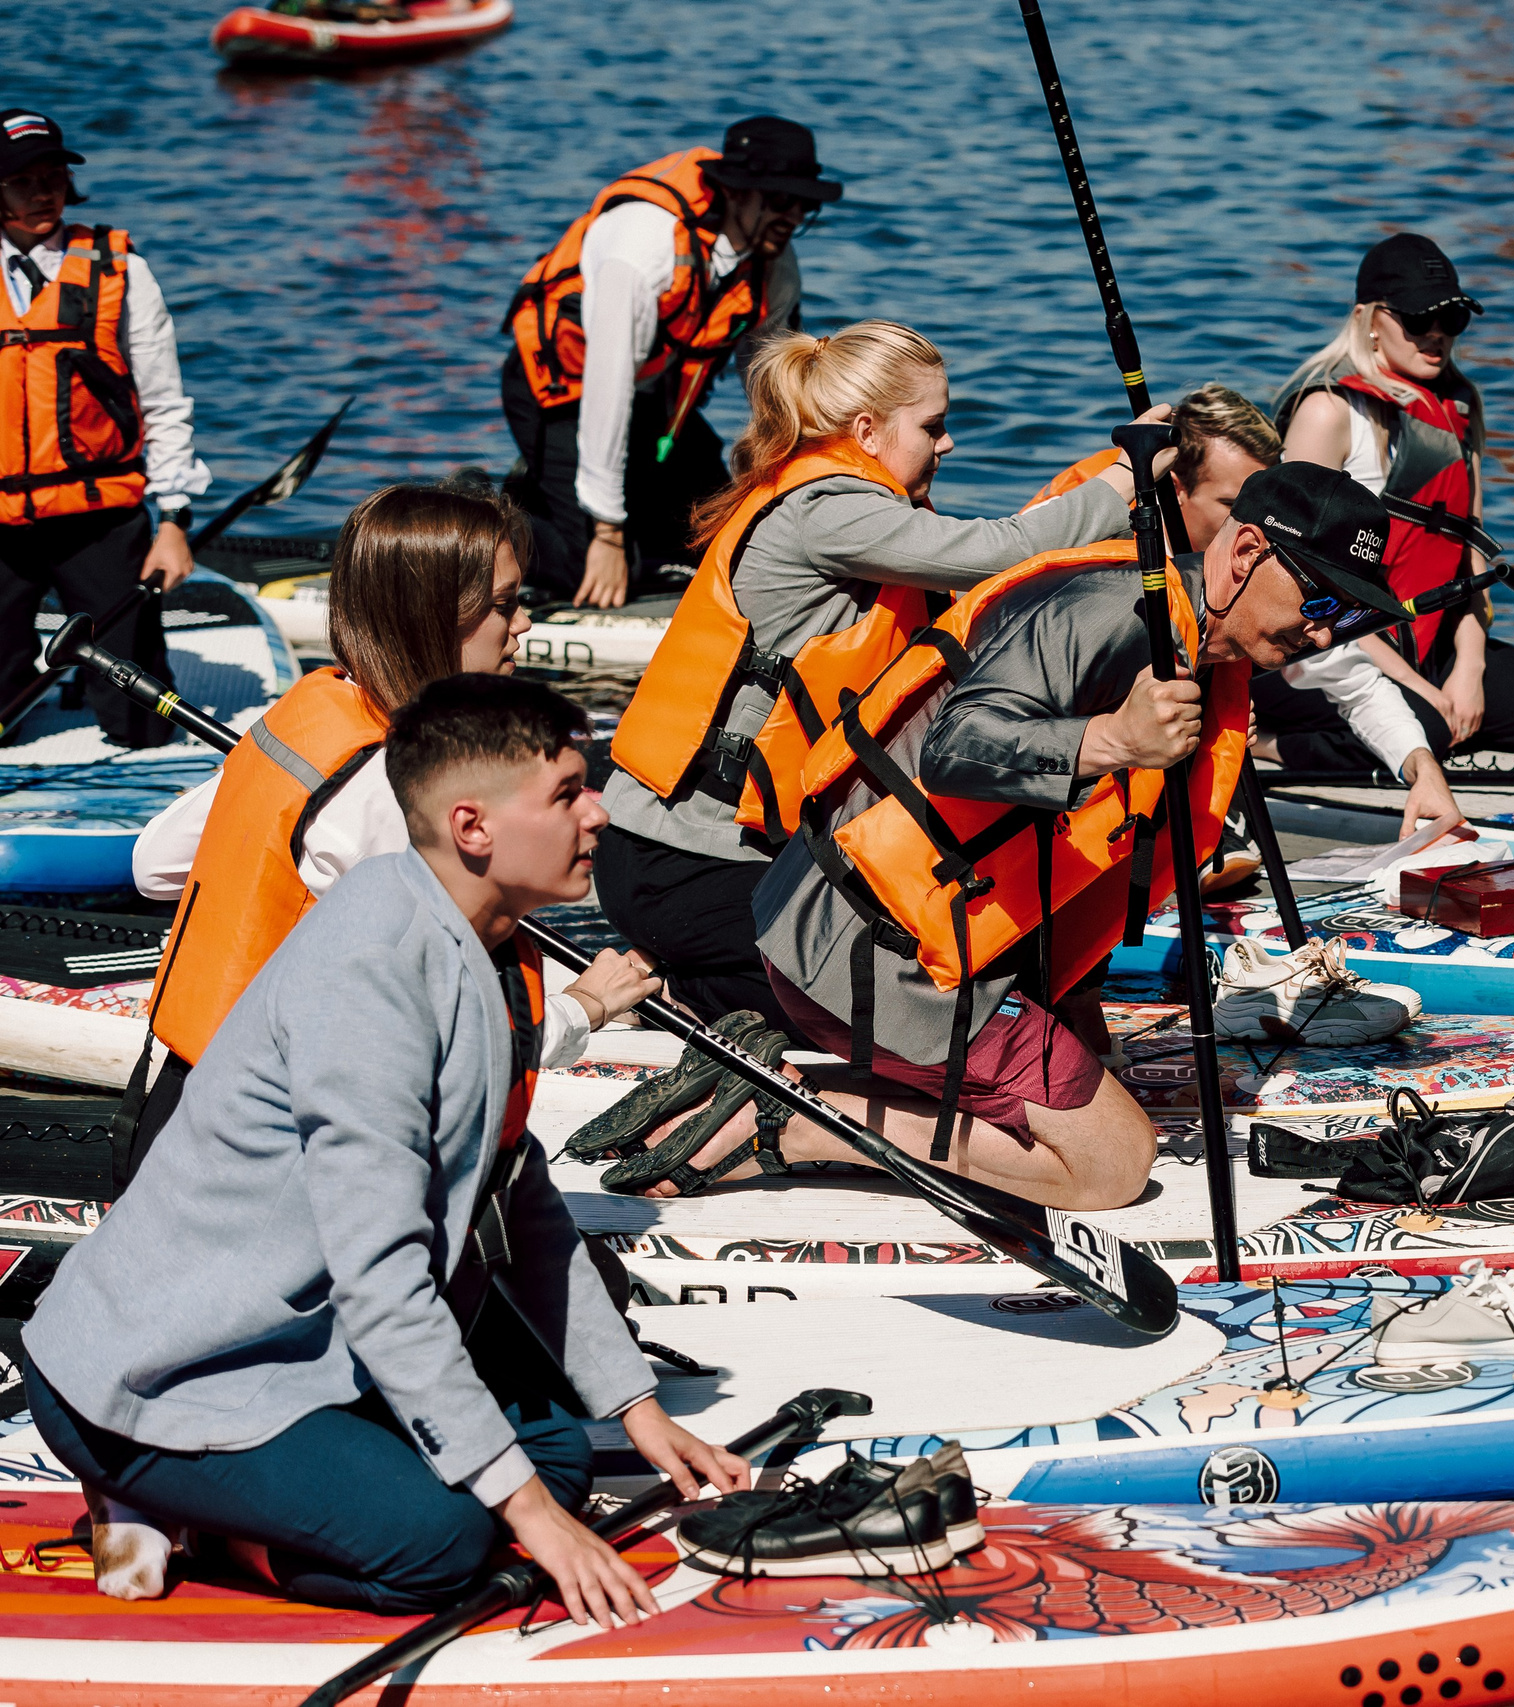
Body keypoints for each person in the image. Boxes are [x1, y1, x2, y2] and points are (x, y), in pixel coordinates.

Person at [22, 674, 734, 1619]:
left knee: (557, 1454)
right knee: (442, 1543)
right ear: (473, 827)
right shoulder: (373, 970)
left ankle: (266, 1500)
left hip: (293, 1349)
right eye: (568, 793)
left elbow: (517, 1190)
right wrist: (528, 1515)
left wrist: (636, 1411)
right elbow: (383, 1273)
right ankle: (190, 1514)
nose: (597, 811)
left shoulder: (483, 943)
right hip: (155, 1373)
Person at [586, 463, 1408, 1208]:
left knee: (1088, 1087)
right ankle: (792, 1119)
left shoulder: (1197, 645)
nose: (1325, 632)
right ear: (1247, 552)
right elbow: (957, 746)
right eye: (1321, 601)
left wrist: (1070, 1012)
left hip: (903, 940)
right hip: (874, 952)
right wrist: (1110, 739)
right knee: (1113, 1160)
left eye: (1348, 616)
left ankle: (762, 1078)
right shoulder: (1113, 613)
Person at [595, 321, 1151, 1038]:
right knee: (893, 1014)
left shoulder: (863, 506)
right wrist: (1127, 473)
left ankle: (698, 971)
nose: (948, 444)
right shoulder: (828, 511)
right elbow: (1004, 551)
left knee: (922, 962)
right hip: (678, 860)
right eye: (933, 427)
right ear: (866, 431)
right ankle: (686, 986)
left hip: (726, 854)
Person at [123, 482, 658, 1179]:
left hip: (176, 1107)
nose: (524, 623)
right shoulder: (396, 791)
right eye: (504, 605)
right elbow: (463, 1044)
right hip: (275, 1156)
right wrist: (587, 1006)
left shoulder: (313, 714)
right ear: (433, 616)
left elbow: (153, 863)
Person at [1026, 384, 1462, 836]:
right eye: (1233, 505)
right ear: (1176, 489)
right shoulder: (1100, 557)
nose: (1249, 521)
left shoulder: (1264, 568)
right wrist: (1116, 740)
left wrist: (1421, 766)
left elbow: (1350, 679)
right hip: (1063, 761)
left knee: (1425, 727)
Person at [1266, 232, 1514, 774]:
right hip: (1325, 650)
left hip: (1427, 642)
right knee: (1428, 729)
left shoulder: (1457, 408)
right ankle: (1269, 745)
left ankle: (1420, 716)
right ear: (1369, 319)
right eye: (1419, 319)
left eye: (1452, 320)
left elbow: (1470, 558)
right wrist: (1418, 690)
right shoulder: (1328, 412)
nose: (1436, 335)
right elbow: (1302, 584)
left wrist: (1468, 669)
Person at [501, 116, 839, 607]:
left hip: (650, 401)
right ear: (734, 192)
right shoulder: (643, 250)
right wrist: (607, 533)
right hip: (559, 393)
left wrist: (806, 485)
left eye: (804, 204)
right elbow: (607, 389)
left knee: (716, 535)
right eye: (779, 199)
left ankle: (560, 499)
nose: (792, 216)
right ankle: (485, 512)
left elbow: (776, 391)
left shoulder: (775, 266)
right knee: (592, 566)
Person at [0, 109, 208, 749]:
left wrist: (173, 521)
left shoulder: (121, 272)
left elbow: (165, 402)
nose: (44, 192)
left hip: (100, 521)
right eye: (23, 180)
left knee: (141, 716)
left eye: (54, 176)